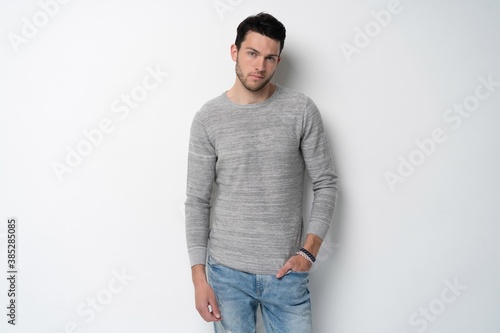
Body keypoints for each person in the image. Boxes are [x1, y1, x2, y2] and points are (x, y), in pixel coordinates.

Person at [185, 12, 339, 333]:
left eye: (270, 58)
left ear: (278, 60)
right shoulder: (208, 118)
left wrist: (308, 253)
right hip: (226, 275)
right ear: (234, 52)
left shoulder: (300, 109)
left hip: (286, 273)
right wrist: (199, 279)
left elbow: (326, 183)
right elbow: (197, 201)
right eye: (252, 54)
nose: (260, 66)